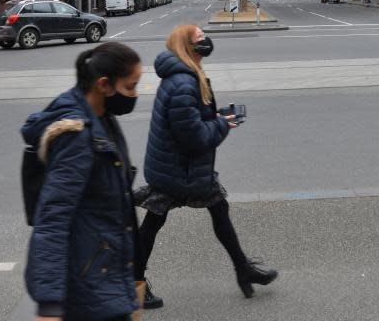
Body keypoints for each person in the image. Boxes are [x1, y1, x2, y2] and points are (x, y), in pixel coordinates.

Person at [134, 25, 278, 309]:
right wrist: (226, 122)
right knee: (155, 220)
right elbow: (196, 137)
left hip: (181, 166)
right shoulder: (183, 84)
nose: (206, 42)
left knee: (215, 209)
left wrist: (219, 118)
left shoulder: (186, 76)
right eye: (200, 39)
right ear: (188, 48)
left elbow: (195, 123)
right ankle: (133, 281)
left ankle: (243, 269)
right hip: (179, 170)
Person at [22, 42, 144, 321]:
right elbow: (53, 217)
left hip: (103, 273)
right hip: (88, 285)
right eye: (130, 86)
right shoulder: (77, 135)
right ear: (104, 85)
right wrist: (50, 303)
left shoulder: (102, 119)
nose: (134, 94)